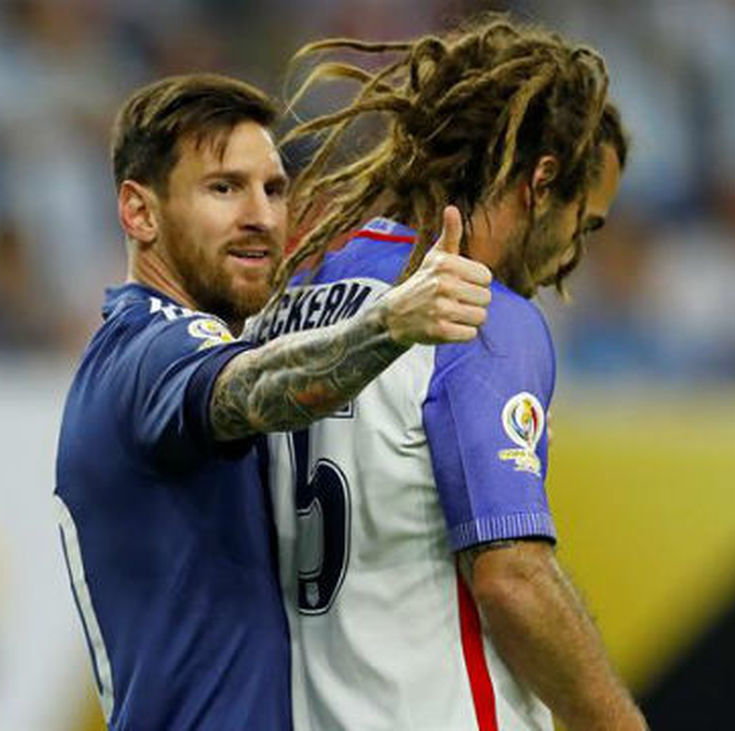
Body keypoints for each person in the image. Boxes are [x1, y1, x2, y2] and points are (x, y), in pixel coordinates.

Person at [53, 73, 492, 730]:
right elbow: (250, 390)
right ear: (139, 212)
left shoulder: (141, 353)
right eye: (224, 187)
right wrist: (390, 323)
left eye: (274, 188)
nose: (260, 215)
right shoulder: (154, 351)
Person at [253, 17, 649, 731]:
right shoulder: (479, 312)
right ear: (542, 182)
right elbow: (511, 578)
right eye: (581, 225)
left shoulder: (292, 295)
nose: (570, 258)